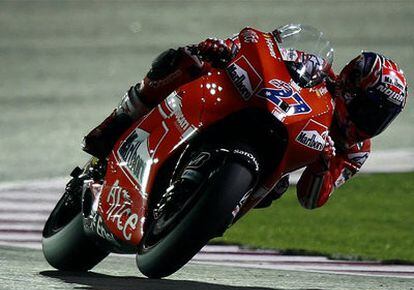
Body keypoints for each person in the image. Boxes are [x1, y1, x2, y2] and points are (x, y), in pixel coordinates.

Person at [82, 30, 408, 210]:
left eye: (382, 117)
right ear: (351, 85)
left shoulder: (356, 150)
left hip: (269, 164)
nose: (371, 121)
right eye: (370, 109)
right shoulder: (317, 73)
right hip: (250, 108)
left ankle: (206, 212)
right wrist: (222, 48)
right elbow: (263, 48)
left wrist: (325, 164)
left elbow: (311, 198)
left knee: (277, 188)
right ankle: (118, 124)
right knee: (183, 61)